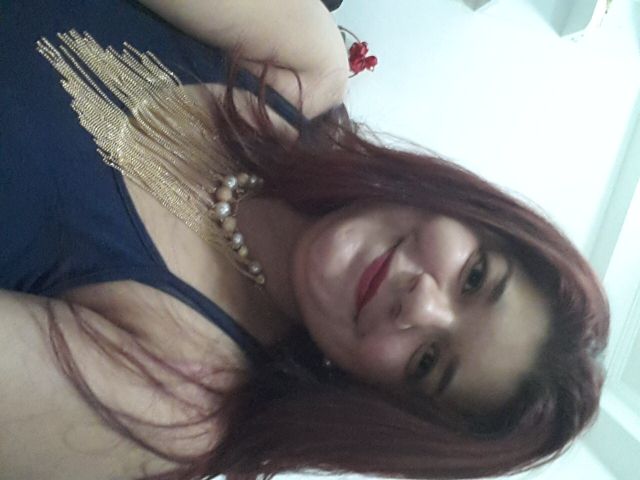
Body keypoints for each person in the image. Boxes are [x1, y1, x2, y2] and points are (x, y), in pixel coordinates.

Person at [0, 1, 609, 480]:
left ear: (377, 403)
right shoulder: (303, 62)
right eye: (474, 277)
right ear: (472, 214)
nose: (421, 303)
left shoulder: (171, 404)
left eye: (428, 363)